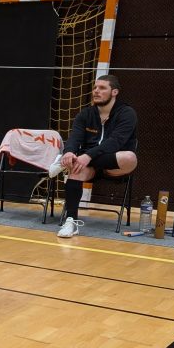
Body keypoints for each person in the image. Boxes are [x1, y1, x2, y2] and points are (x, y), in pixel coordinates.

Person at [47, 74, 138, 238]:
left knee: (130, 157)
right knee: (76, 170)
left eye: (102, 88)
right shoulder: (86, 114)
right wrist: (69, 152)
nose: (96, 91)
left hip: (113, 164)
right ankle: (71, 222)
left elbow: (115, 142)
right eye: (95, 87)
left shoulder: (126, 113)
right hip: (87, 166)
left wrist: (87, 156)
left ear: (114, 92)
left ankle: (63, 163)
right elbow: (75, 138)